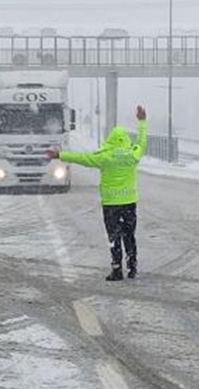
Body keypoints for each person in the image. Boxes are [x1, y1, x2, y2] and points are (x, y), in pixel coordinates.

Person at [46, 106, 148, 281]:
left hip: (111, 204)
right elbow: (142, 142)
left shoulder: (104, 157)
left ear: (111, 140)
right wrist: (142, 122)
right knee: (129, 235)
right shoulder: (132, 156)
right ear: (124, 141)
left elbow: (82, 158)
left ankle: (116, 269)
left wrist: (60, 154)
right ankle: (132, 267)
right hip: (129, 202)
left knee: (114, 236)